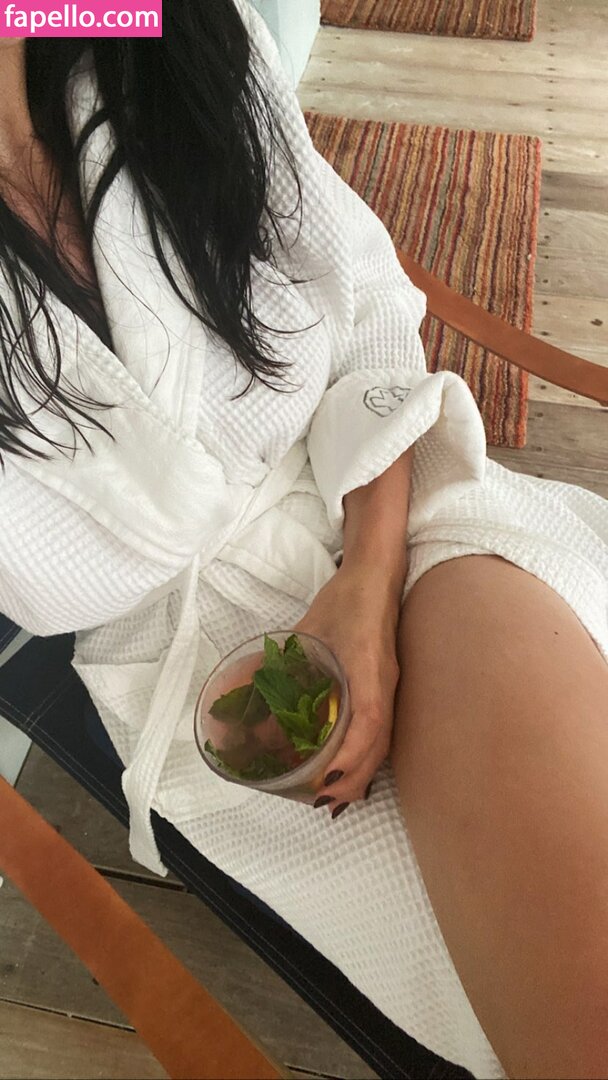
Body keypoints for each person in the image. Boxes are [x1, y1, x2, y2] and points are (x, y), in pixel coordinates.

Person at [0, 3, 607, 1076]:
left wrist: (370, 578)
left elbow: (363, 299)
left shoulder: (162, 37)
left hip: (376, 494)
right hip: (185, 685)